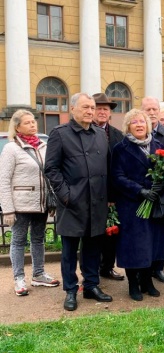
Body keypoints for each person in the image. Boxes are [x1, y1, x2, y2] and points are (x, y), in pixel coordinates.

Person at [45, 93, 112, 311]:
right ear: (72, 109)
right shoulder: (59, 134)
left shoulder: (101, 134)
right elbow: (51, 169)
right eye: (86, 107)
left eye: (92, 107)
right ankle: (71, 290)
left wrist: (109, 197)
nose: (91, 111)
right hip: (73, 203)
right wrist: (66, 195)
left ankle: (91, 286)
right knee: (69, 250)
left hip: (97, 202)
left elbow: (107, 167)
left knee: (93, 248)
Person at [110, 109, 164, 301]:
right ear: (128, 126)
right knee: (134, 246)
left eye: (142, 122)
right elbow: (117, 177)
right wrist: (140, 190)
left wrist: (160, 186)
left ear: (148, 125)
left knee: (151, 244)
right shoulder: (121, 148)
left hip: (153, 204)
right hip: (132, 204)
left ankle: (147, 281)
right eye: (134, 122)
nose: (139, 125)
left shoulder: (158, 146)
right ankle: (133, 283)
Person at [0, 110, 60, 296]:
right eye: (27, 123)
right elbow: (4, 180)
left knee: (38, 239)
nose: (33, 125)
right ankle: (19, 278)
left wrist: (51, 202)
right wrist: (8, 209)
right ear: (17, 127)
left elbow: (49, 173)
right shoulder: (11, 148)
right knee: (18, 241)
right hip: (20, 204)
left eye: (33, 121)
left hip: (40, 203)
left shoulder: (43, 146)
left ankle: (38, 274)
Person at [141, 97, 164, 281]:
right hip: (143, 192)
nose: (152, 113)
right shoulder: (136, 131)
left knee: (162, 231)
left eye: (155, 109)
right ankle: (145, 265)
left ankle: (159, 266)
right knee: (145, 230)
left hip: (163, 192)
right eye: (148, 109)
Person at [91, 92, 125, 281]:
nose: (102, 112)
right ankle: (91, 270)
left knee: (111, 233)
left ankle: (107, 267)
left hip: (112, 194)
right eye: (98, 108)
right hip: (91, 192)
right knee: (93, 235)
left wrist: (114, 194)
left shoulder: (118, 135)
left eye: (105, 109)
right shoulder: (85, 132)